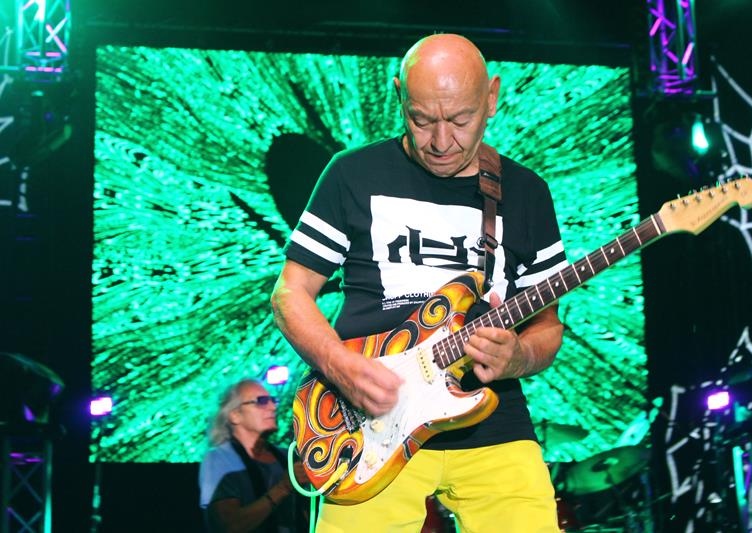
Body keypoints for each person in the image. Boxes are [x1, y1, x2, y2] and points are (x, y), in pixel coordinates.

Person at [271, 33, 567, 532]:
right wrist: (340, 366)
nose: (441, 141)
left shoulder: (526, 193)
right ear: (399, 97)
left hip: (493, 422)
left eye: (460, 120)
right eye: (422, 119)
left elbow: (548, 326)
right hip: (370, 422)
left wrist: (519, 356)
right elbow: (289, 293)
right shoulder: (352, 174)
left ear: (492, 97)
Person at [198, 379, 310, 533]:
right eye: (261, 401)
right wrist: (284, 487)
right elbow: (228, 526)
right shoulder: (219, 460)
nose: (273, 407)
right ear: (235, 415)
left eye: (273, 400)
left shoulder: (287, 456)